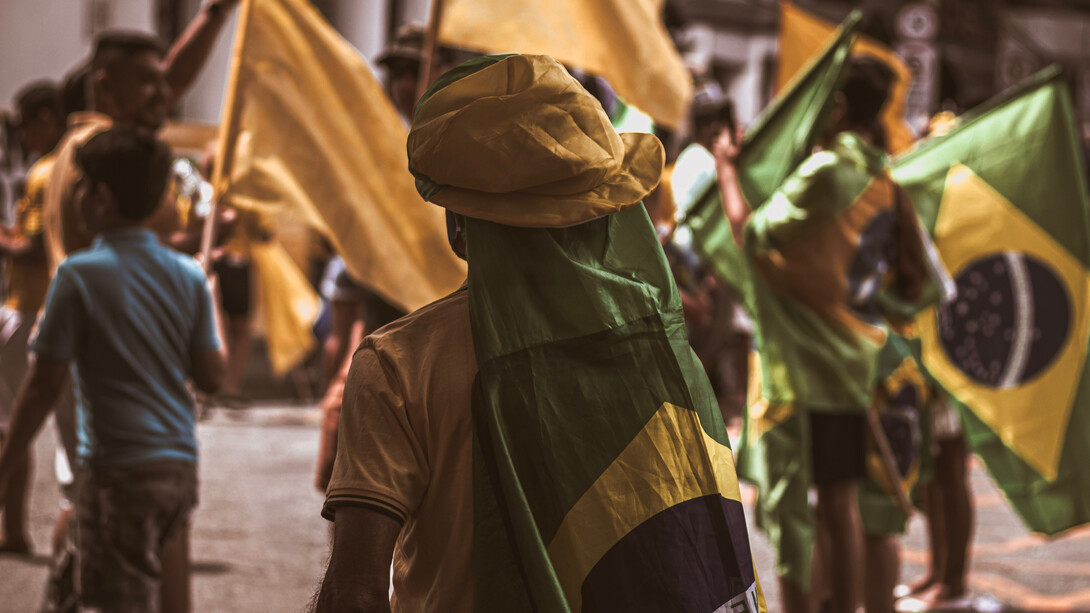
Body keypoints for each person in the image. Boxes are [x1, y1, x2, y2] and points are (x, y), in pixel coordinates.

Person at [314, 53, 763, 613]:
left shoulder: (400, 365)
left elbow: (355, 594)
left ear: (458, 227)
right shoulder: (656, 349)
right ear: (603, 213)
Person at [717, 57, 929, 613]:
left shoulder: (828, 172)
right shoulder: (880, 175)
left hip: (799, 373)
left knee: (791, 521)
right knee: (840, 504)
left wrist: (726, 170)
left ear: (836, 105)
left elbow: (751, 233)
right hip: (849, 366)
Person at [0, 125, 226, 611]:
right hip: (177, 467)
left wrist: (6, 462)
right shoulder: (188, 275)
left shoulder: (77, 275)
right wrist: (210, 300)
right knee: (167, 591)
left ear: (100, 197)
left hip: (116, 469)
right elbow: (213, 377)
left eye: (80, 184)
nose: (75, 194)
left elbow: (43, 385)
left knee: (117, 601)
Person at [0, 81, 66, 555]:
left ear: (45, 118)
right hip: (35, 307)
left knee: (11, 423)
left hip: (29, 309)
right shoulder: (54, 167)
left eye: (25, 126)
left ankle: (16, 528)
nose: (22, 137)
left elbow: (35, 247)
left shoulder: (45, 173)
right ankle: (14, 528)